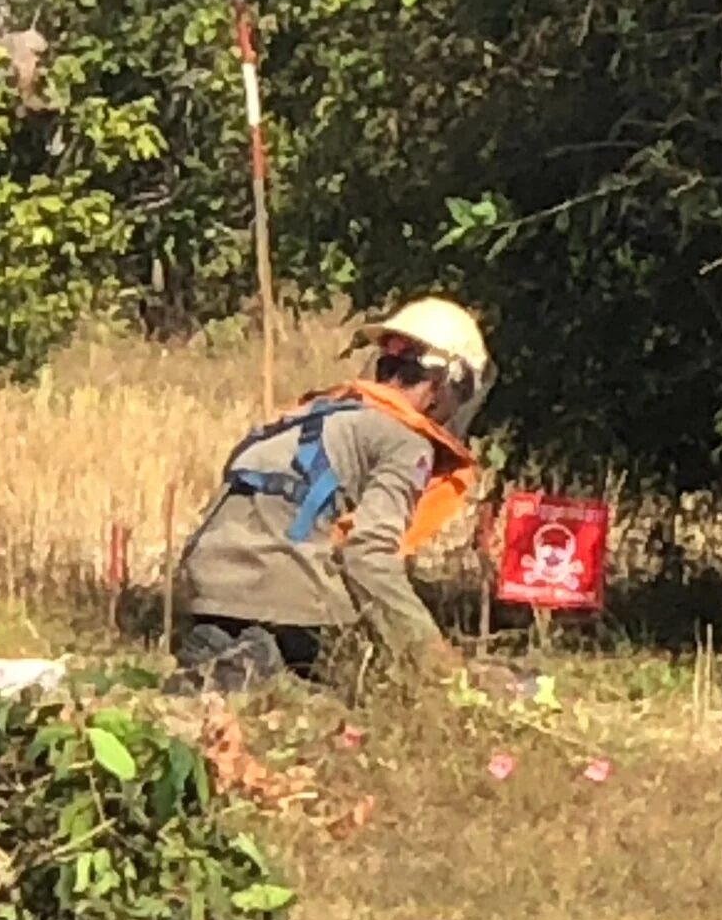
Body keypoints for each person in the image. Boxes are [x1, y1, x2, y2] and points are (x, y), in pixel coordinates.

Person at [168, 296, 494, 693]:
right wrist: (432, 656)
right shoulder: (405, 442)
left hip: (206, 586)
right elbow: (367, 556)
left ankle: (231, 651)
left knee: (237, 654)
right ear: (447, 386)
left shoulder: (313, 413)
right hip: (283, 587)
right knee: (357, 683)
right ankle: (259, 662)